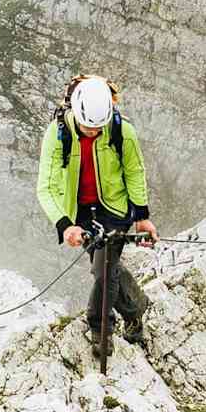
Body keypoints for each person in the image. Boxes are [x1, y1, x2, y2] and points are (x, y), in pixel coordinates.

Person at [36, 75, 157, 356]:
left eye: (98, 126)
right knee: (107, 267)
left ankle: (100, 328)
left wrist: (141, 215)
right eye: (88, 126)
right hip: (79, 211)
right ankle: (136, 308)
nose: (93, 131)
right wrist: (65, 225)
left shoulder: (121, 130)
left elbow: (135, 172)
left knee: (102, 269)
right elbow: (46, 186)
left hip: (114, 208)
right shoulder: (57, 134)